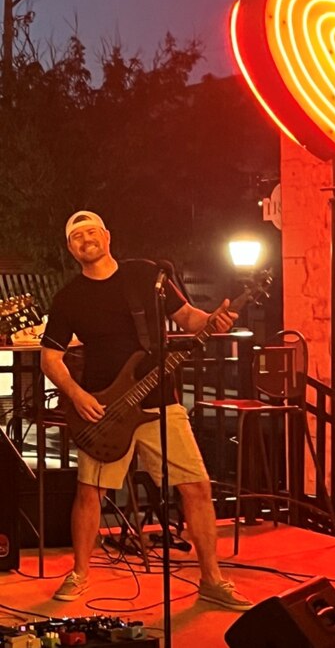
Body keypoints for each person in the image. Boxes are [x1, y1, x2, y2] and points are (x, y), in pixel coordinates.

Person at [41, 210, 252, 610]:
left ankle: (212, 579)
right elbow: (50, 358)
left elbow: (188, 317)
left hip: (160, 403)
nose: (86, 240)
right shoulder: (68, 297)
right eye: (77, 237)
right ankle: (79, 573)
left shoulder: (146, 277)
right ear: (70, 249)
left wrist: (212, 321)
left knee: (196, 487)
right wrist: (76, 394)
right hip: (104, 408)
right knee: (90, 493)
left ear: (107, 236)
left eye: (92, 232)